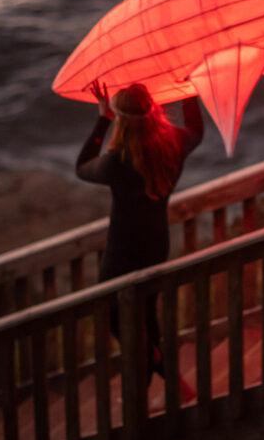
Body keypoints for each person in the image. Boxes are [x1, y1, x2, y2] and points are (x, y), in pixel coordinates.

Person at [76, 80, 203, 400]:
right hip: (155, 247)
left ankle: (152, 387)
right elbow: (197, 131)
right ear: (154, 110)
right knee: (145, 316)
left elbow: (81, 166)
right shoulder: (172, 145)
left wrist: (102, 118)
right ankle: (168, 385)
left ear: (120, 119)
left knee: (119, 321)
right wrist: (188, 92)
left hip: (122, 256)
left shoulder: (116, 162)